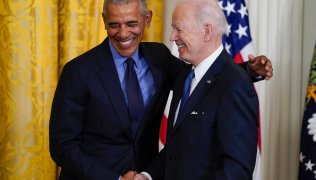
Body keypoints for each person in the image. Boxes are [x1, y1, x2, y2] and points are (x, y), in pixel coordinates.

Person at [49, 0, 272, 179]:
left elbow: (205, 79)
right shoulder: (78, 71)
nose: (123, 33)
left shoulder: (160, 57)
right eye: (114, 24)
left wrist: (248, 72)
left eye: (132, 23)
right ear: (104, 21)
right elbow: (62, 146)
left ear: (147, 19)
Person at [135, 0, 260, 179]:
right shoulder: (184, 76)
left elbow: (236, 172)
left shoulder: (235, 86)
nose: (172, 37)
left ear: (207, 31)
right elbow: (177, 150)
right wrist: (147, 176)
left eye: (179, 29)